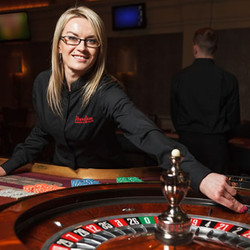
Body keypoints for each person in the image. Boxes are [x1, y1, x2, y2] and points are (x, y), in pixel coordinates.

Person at [0, 7, 246, 214]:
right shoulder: (43, 83)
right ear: (59, 45)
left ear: (99, 49)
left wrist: (200, 176)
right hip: (61, 179)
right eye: (72, 38)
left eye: (91, 40)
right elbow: (40, 133)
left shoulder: (107, 90)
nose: (81, 47)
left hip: (105, 182)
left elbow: (146, 134)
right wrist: (7, 167)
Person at [171, 27, 241, 175]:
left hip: (186, 145)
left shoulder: (179, 78)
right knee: (217, 194)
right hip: (217, 147)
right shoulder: (228, 79)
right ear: (216, 48)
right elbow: (234, 119)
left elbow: (174, 113)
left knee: (186, 190)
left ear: (195, 48)